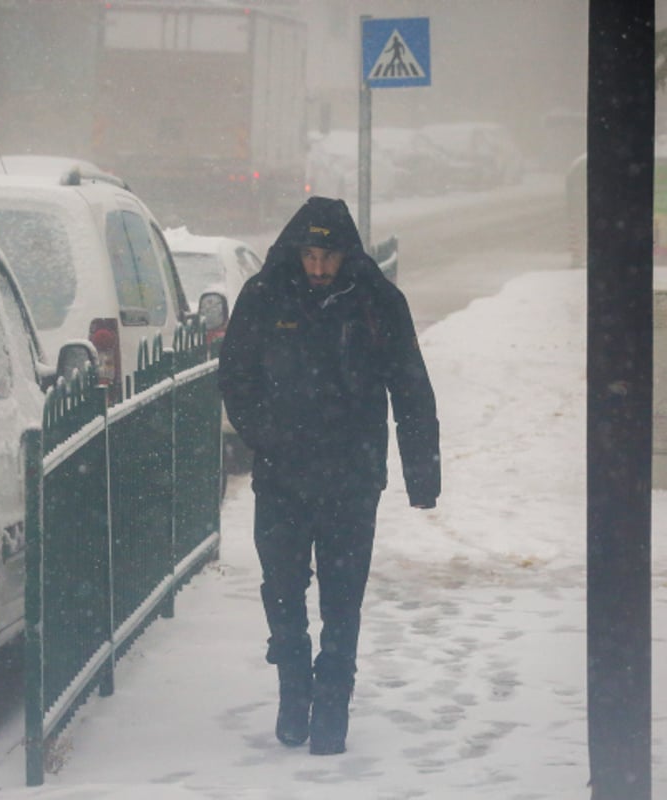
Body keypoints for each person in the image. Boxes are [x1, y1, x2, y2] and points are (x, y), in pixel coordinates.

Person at [217, 196, 440, 755]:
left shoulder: (377, 302)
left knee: (343, 597)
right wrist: (269, 436)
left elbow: (411, 387)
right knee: (284, 589)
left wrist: (422, 472)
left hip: (352, 476)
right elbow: (236, 378)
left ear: (346, 256)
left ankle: (333, 699)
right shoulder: (265, 296)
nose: (319, 268)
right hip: (282, 476)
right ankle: (294, 691)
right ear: (297, 252)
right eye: (311, 256)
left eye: (329, 258)